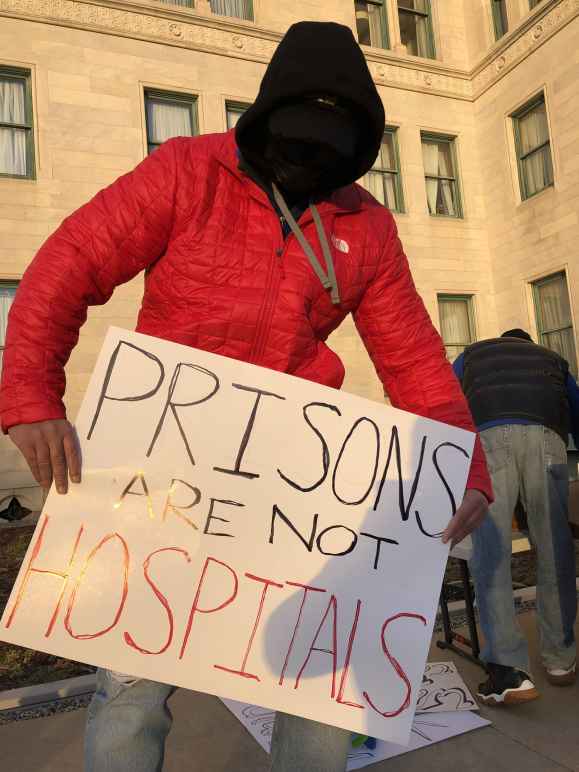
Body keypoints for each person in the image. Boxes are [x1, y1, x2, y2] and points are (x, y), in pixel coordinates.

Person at [1, 21, 492, 772]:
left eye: (330, 146)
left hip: (293, 492)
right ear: (262, 121)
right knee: (133, 688)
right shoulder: (184, 173)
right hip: (162, 470)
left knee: (314, 690)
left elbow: (417, 361)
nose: (309, 159)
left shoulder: (368, 225)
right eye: (296, 138)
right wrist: (30, 394)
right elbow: (70, 263)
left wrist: (465, 467)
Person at [454, 329, 579, 706]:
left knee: (491, 553)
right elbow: (576, 406)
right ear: (528, 343)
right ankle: (560, 660)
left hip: (488, 435)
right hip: (546, 436)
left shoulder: (472, 355)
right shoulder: (551, 358)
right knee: (554, 545)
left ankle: (509, 671)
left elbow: (444, 394)